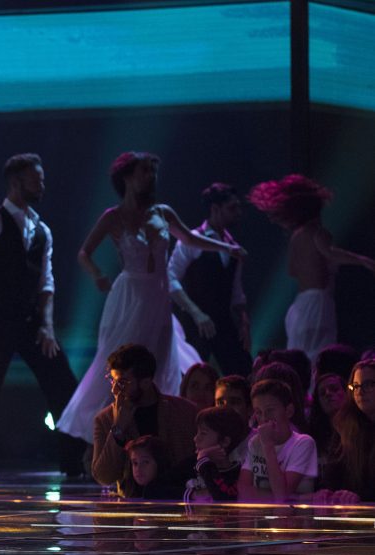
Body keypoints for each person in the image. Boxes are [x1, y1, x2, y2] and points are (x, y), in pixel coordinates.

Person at [57, 152, 244, 443]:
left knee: (158, 361)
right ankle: (111, 434)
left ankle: (155, 435)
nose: (151, 177)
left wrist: (226, 248)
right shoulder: (113, 216)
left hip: (158, 296)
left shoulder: (163, 212)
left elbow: (189, 238)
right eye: (145, 171)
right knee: (122, 363)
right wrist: (97, 274)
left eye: (153, 171)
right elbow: (84, 252)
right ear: (127, 177)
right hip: (130, 296)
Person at [0, 153, 84, 480]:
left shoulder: (42, 229)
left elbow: (46, 281)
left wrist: (47, 325)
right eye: (36, 180)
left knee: (63, 383)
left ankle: (74, 463)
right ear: (16, 183)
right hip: (0, 318)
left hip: (32, 320)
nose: (42, 185)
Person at [248, 174, 375, 361]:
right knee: (319, 358)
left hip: (300, 307)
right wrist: (363, 260)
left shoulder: (297, 236)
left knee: (300, 359)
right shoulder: (318, 232)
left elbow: (292, 270)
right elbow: (330, 253)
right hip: (317, 304)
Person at [168, 183, 252, 376]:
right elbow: (170, 277)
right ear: (215, 209)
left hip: (223, 321)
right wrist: (196, 312)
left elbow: (236, 291)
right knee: (190, 376)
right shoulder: (192, 239)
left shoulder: (233, 245)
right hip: (195, 324)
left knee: (242, 372)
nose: (238, 213)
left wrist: (244, 321)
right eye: (232, 208)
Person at [91, 344, 197, 495]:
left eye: (122, 383)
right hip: (132, 504)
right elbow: (104, 477)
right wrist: (118, 428)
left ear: (146, 382)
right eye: (112, 381)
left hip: (179, 500)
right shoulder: (104, 419)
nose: (115, 390)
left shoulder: (185, 412)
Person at [237, 379, 317, 502]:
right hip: (261, 514)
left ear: (289, 411)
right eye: (258, 412)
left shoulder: (303, 443)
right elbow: (243, 491)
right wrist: (297, 498)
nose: (264, 418)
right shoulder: (255, 442)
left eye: (270, 410)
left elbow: (281, 495)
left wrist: (268, 445)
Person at [314, 359, 375, 504]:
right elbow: (333, 473)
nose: (360, 392)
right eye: (356, 386)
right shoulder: (345, 427)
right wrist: (326, 492)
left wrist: (360, 497)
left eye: (368, 385)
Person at [185, 406, 250, 502]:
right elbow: (163, 489)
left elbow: (223, 498)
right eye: (197, 432)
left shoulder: (237, 473)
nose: (195, 438)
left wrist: (203, 461)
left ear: (225, 442)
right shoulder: (191, 464)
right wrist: (192, 494)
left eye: (203, 433)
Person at [308, 373, 345, 465]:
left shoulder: (362, 428)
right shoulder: (314, 436)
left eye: (334, 389)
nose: (328, 394)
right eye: (322, 393)